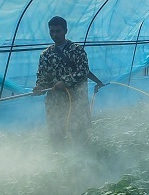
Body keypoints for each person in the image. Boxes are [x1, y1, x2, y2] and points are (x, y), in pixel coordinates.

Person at [32, 16, 105, 147]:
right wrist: (40, 87)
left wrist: (65, 82)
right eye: (51, 31)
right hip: (55, 103)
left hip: (76, 100)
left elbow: (83, 71)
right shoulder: (46, 55)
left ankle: (84, 161)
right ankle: (61, 162)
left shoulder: (76, 50)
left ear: (65, 30)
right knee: (56, 136)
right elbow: (43, 76)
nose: (54, 35)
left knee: (79, 133)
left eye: (58, 31)